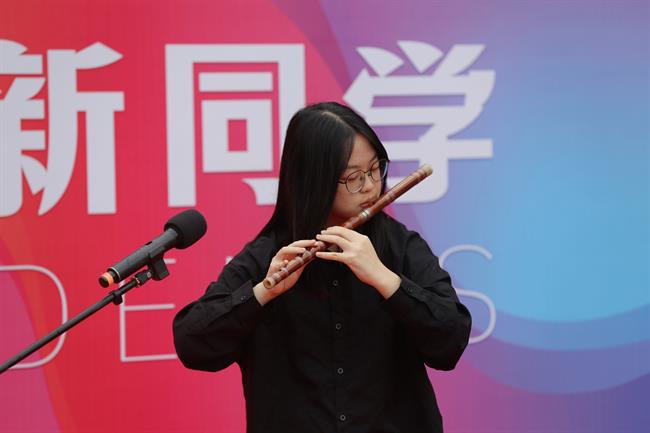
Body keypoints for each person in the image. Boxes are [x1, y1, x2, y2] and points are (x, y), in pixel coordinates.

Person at [173, 101, 472, 433]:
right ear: (313, 181)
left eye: (376, 168)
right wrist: (261, 294)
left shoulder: (401, 247)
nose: (371, 186)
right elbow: (193, 345)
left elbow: (450, 342)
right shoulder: (268, 256)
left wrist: (388, 281)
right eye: (354, 177)